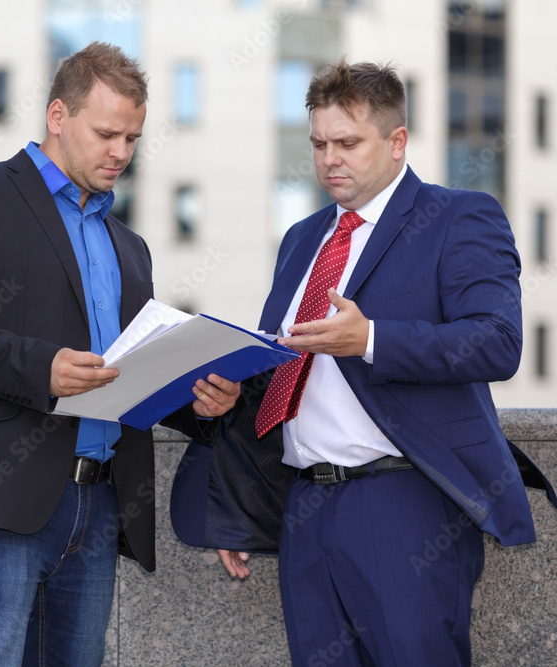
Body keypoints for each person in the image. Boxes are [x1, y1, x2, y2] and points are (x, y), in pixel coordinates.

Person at [172, 59, 556, 666]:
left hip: (405, 506)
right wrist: (231, 415)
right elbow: (284, 373)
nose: (329, 159)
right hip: (303, 509)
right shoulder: (302, 238)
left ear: (397, 141)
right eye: (320, 144)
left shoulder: (459, 217)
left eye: (348, 143)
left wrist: (372, 338)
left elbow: (497, 341)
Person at [0, 41, 238, 666]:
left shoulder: (129, 245)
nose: (121, 153)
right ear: (58, 115)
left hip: (100, 505)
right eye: (108, 133)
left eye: (133, 139)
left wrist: (203, 406)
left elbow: (135, 375)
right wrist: (42, 368)